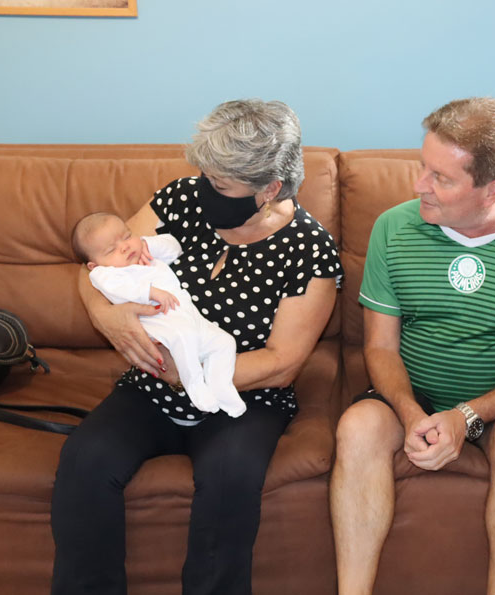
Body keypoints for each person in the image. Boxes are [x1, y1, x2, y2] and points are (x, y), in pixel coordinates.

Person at [51, 99, 342, 594]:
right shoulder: (183, 200)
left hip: (243, 397)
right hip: (151, 385)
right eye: (205, 176)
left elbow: (282, 363)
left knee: (230, 483)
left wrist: (190, 376)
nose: (205, 190)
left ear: (268, 189)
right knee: (86, 461)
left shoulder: (309, 250)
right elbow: (99, 270)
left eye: (221, 185)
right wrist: (112, 319)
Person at [330, 97, 495, 595]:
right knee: (357, 427)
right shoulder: (393, 227)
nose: (418, 185)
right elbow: (380, 347)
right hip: (416, 390)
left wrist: (467, 416)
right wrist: (409, 415)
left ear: (492, 189)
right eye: (423, 166)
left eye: (441, 178)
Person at [72, 212, 245, 417]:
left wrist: (147, 244)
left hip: (185, 313)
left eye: (127, 236)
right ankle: (195, 385)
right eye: (111, 249)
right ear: (94, 265)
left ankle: (221, 386)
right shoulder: (104, 274)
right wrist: (150, 292)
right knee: (184, 338)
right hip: (156, 320)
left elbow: (174, 249)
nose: (125, 247)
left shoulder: (145, 256)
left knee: (224, 342)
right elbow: (120, 288)